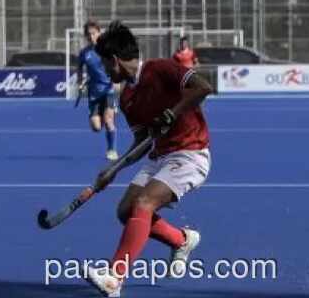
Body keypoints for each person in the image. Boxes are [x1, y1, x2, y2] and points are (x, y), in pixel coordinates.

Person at [83, 20, 214, 297]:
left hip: (190, 153)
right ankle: (182, 240)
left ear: (115, 60)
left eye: (106, 65)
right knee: (126, 211)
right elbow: (142, 141)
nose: (106, 72)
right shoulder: (127, 97)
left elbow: (203, 87)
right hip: (160, 156)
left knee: (144, 203)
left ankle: (114, 278)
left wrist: (173, 112)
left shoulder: (161, 68)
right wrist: (114, 169)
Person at [77, 20, 118, 160]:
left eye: (93, 33)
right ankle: (104, 115)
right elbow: (79, 68)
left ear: (99, 33)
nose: (91, 37)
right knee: (96, 127)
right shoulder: (84, 53)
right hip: (94, 93)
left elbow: (116, 66)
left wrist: (115, 79)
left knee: (108, 121)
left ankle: (111, 150)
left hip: (108, 91)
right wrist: (80, 82)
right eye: (88, 34)